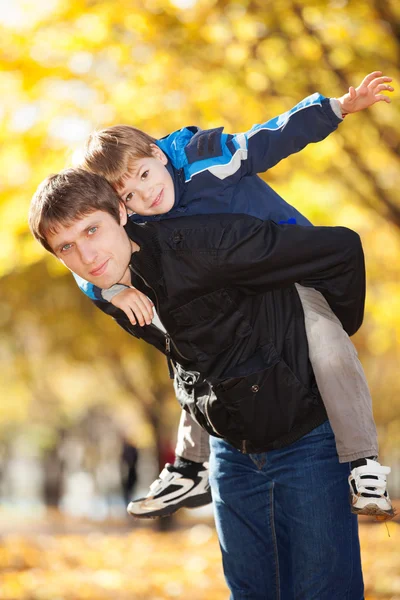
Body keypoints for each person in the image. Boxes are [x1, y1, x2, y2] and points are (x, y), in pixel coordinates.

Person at [29, 169, 370, 598]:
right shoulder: (109, 287)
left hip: (306, 438)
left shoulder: (213, 245)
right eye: (67, 247)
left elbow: (341, 249)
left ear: (121, 211)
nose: (88, 256)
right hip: (230, 453)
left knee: (324, 593)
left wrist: (328, 332)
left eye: (92, 229)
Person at [73, 71, 394, 520]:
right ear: (120, 206)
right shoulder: (135, 222)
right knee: (194, 349)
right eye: (130, 194)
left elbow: (270, 138)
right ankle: (189, 467)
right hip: (233, 296)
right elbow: (86, 255)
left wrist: (338, 107)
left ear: (156, 152)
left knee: (324, 338)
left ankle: (363, 461)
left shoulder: (205, 162)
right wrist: (112, 288)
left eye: (145, 174)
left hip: (285, 271)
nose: (147, 193)